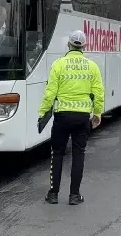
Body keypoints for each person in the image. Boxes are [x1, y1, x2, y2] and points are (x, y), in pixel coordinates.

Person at [37, 30, 105, 205]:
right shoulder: (92, 66)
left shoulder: (58, 64)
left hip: (62, 116)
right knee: (78, 154)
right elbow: (98, 93)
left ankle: (53, 194)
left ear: (68, 45)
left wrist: (43, 112)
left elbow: (50, 92)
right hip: (82, 118)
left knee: (57, 153)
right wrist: (97, 114)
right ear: (84, 46)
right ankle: (74, 195)